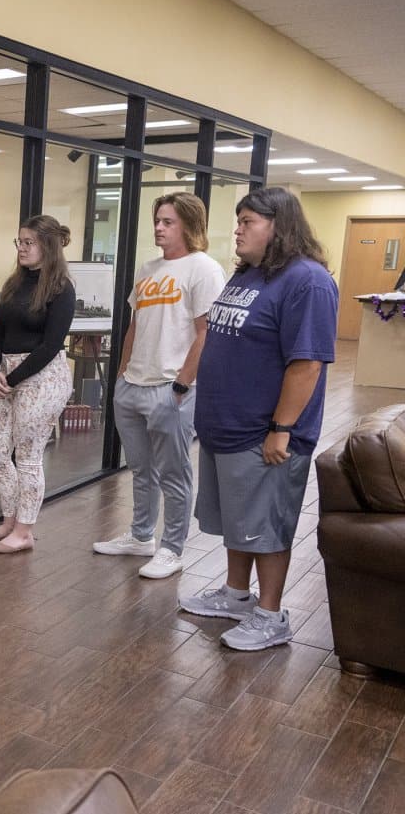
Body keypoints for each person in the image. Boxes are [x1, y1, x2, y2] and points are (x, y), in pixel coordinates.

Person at [179, 187, 337, 651]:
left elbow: (307, 364)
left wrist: (281, 428)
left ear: (279, 226)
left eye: (248, 221)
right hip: (225, 426)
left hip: (265, 434)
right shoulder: (250, 274)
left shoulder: (307, 282)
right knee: (238, 520)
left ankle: (271, 614)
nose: (238, 229)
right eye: (239, 220)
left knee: (266, 527)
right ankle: (235, 595)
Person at [92, 193, 225, 578]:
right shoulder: (148, 269)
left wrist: (183, 384)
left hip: (171, 388)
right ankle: (140, 536)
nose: (158, 228)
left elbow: (206, 333)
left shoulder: (204, 269)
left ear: (188, 225)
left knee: (174, 473)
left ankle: (172, 548)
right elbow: (136, 325)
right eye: (157, 220)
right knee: (140, 469)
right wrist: (120, 374)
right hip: (132, 385)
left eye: (167, 221)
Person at [0, 215, 76, 553]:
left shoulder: (61, 289)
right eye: (19, 242)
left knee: (28, 457)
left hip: (42, 379)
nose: (22, 248)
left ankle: (24, 530)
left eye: (28, 242)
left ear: (48, 246)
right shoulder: (14, 284)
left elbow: (49, 345)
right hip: (7, 376)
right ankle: (9, 520)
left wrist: (12, 379)